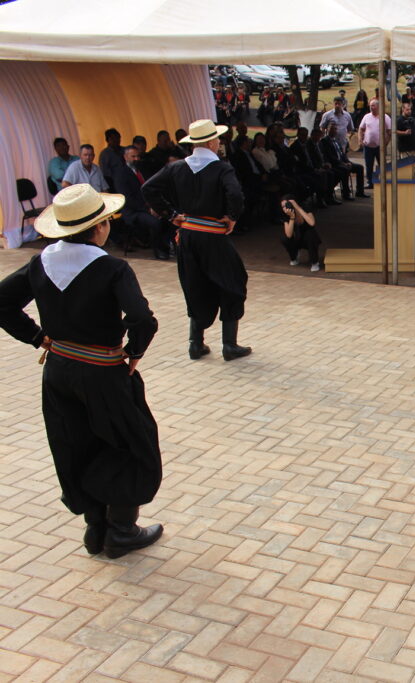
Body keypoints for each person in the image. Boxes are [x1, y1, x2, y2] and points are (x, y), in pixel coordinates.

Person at [0, 184, 163, 559]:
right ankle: (121, 531)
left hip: (58, 372)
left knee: (76, 445)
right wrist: (134, 352)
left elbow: (2, 302)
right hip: (103, 373)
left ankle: (96, 529)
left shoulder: (40, 262)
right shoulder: (112, 268)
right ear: (100, 226)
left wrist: (39, 337)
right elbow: (141, 319)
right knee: (128, 445)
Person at [142, 119, 250, 362]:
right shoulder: (222, 168)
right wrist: (232, 217)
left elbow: (148, 189)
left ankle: (195, 343)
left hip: (188, 236)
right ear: (212, 142)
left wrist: (171, 214)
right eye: (218, 139)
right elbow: (235, 194)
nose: (219, 143)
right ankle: (229, 345)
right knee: (232, 282)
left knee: (194, 284)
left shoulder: (177, 167)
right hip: (213, 235)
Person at [112, 146, 171, 259]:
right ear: (125, 157)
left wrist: (156, 206)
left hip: (149, 206)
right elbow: (128, 199)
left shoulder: (143, 169)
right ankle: (158, 250)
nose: (136, 159)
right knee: (155, 222)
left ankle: (168, 246)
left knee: (167, 216)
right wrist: (148, 209)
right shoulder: (120, 174)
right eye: (133, 156)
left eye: (137, 156)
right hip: (133, 210)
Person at [319, 122, 367, 199]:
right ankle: (346, 193)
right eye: (331, 129)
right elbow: (330, 157)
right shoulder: (324, 141)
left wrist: (347, 162)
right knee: (345, 170)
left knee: (359, 167)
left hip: (342, 162)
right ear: (327, 130)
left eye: (335, 129)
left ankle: (359, 191)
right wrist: (343, 164)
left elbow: (342, 154)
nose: (334, 131)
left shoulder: (337, 141)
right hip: (334, 164)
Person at [279, 196, 322, 272]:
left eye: (286, 205)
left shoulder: (305, 207)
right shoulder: (285, 214)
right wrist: (291, 218)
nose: (285, 208)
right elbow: (289, 235)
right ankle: (294, 257)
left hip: (308, 238)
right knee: (284, 238)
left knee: (310, 234)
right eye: (282, 207)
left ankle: (314, 262)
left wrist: (297, 208)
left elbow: (312, 223)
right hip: (297, 238)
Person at [358, 99, 391, 190]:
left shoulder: (385, 117)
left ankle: (383, 181)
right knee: (369, 165)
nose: (371, 108)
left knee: (382, 164)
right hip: (368, 146)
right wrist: (360, 140)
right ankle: (370, 182)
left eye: (373, 106)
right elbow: (361, 129)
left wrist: (385, 143)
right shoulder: (366, 117)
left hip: (380, 147)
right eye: (370, 106)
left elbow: (389, 132)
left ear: (378, 107)